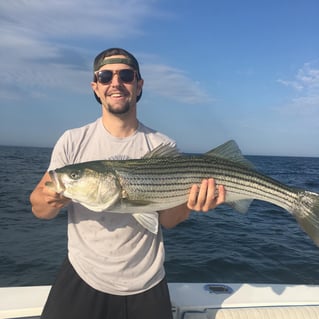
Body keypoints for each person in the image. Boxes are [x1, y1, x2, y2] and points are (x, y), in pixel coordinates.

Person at [30, 48, 226, 319]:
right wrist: (50, 200)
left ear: (139, 84)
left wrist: (191, 204)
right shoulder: (72, 141)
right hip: (82, 275)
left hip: (146, 283)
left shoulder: (162, 145)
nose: (115, 83)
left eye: (125, 75)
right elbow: (39, 207)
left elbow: (167, 221)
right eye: (105, 76)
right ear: (95, 87)